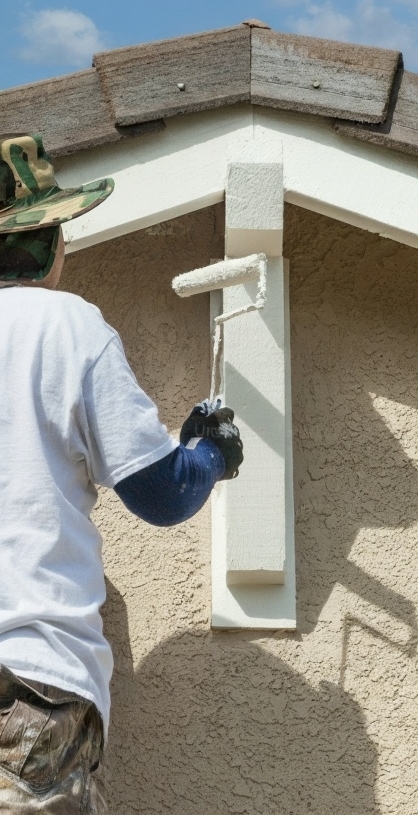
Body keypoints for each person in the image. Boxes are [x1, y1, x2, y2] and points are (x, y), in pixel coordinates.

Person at [0, 135, 243, 813]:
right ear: (43, 243)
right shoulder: (63, 326)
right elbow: (161, 493)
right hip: (30, 677)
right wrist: (210, 452)